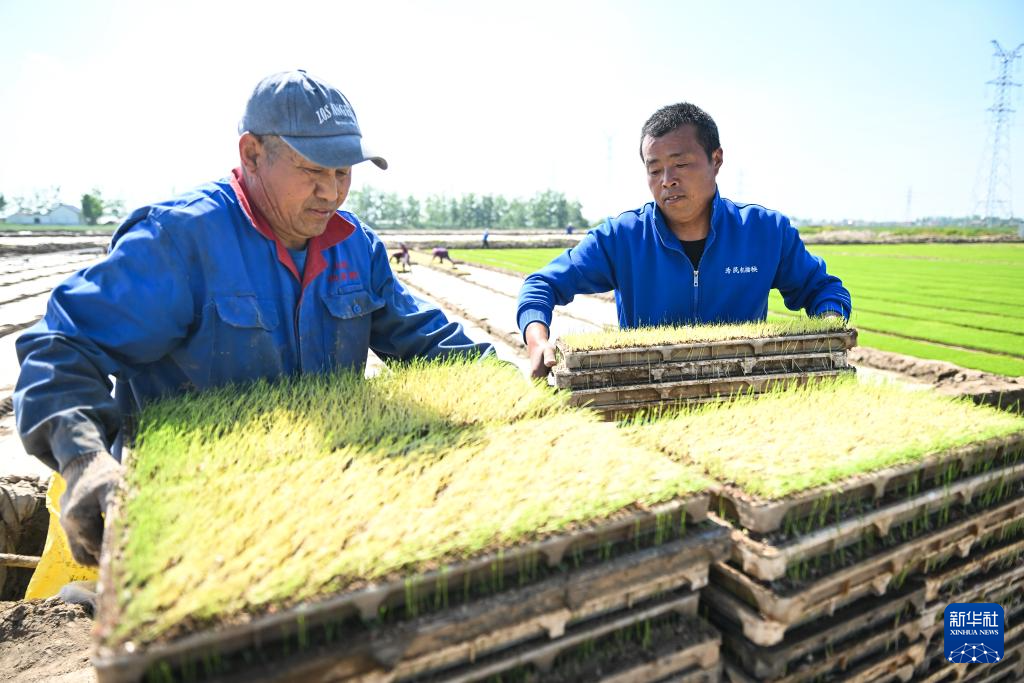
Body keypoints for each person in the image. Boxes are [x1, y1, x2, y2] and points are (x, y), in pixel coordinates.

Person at [13, 70, 492, 567]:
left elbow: (426, 339)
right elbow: (62, 346)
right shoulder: (181, 240)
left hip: (320, 501)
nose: (331, 192)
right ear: (252, 154)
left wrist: (514, 387)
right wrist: (85, 459)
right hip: (188, 513)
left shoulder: (355, 245)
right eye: (313, 170)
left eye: (344, 173)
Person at [517, 102, 851, 378]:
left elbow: (823, 289)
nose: (667, 181)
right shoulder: (622, 238)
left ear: (716, 160)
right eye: (654, 169)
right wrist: (537, 342)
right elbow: (540, 285)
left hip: (744, 395)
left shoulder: (765, 232)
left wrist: (830, 326)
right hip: (646, 395)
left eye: (681, 164)